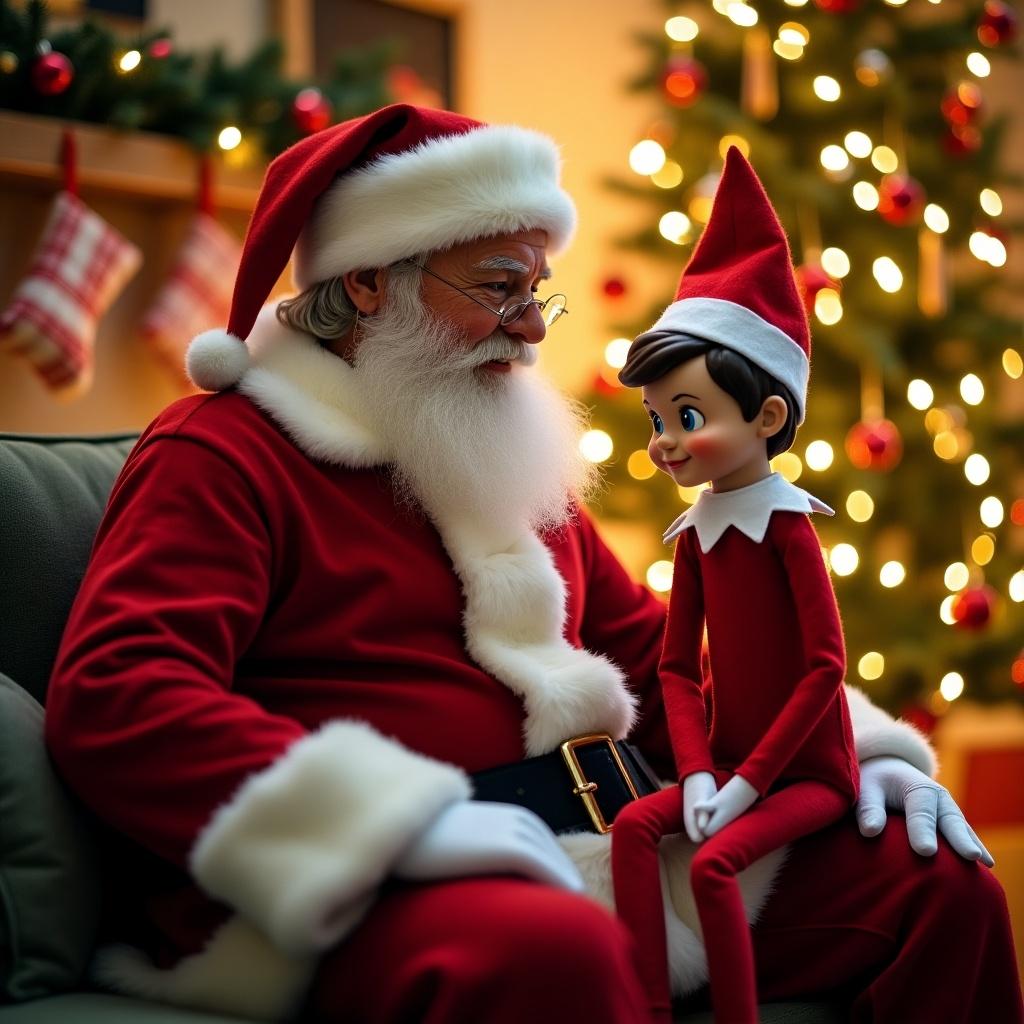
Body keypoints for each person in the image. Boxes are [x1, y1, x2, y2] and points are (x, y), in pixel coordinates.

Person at [44, 104, 1021, 1024]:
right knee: (554, 954)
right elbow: (121, 694)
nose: (534, 323)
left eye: (534, 287)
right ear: (373, 279)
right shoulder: (222, 453)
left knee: (929, 882)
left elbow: (651, 656)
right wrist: (397, 827)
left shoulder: (489, 445)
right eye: (498, 286)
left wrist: (842, 758)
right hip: (369, 884)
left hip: (618, 840)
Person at [611, 148, 859, 1024]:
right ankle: (641, 1004)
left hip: (807, 772)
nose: (666, 443)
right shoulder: (696, 536)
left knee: (715, 865)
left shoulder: (788, 528)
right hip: (724, 765)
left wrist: (749, 784)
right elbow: (678, 670)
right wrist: (698, 771)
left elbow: (825, 669)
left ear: (766, 416)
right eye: (656, 422)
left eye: (687, 418)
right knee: (636, 830)